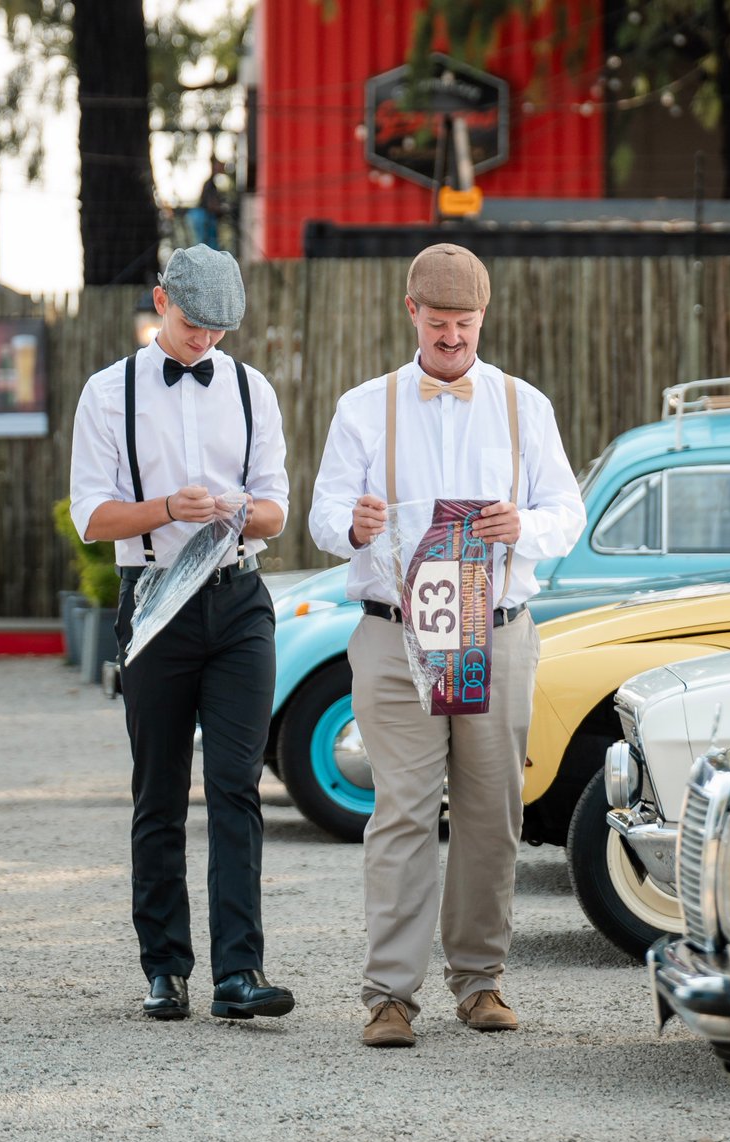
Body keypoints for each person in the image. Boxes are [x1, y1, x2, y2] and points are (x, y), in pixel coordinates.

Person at [309, 243, 584, 1048]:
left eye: (464, 325)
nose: (452, 339)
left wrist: (521, 525)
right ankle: (388, 997)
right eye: (438, 325)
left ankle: (481, 983)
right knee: (398, 812)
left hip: (496, 634)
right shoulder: (364, 407)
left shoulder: (524, 405)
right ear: (411, 315)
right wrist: (349, 524)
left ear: (482, 320)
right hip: (395, 636)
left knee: (491, 811)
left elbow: (566, 512)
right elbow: (324, 512)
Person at [69, 244, 294, 1023]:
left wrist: (233, 507)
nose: (207, 343)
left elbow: (276, 511)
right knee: (159, 790)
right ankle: (164, 970)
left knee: (236, 785)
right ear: (161, 301)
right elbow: (94, 517)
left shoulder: (250, 388)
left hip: (238, 599)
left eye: (220, 331)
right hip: (155, 596)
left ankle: (240, 972)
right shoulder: (107, 393)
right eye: (195, 325)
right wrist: (167, 508)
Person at [191, 158, 229, 250]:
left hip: (204, 217)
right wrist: (222, 208)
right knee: (206, 245)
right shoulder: (210, 184)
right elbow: (210, 205)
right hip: (204, 217)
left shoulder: (211, 184)